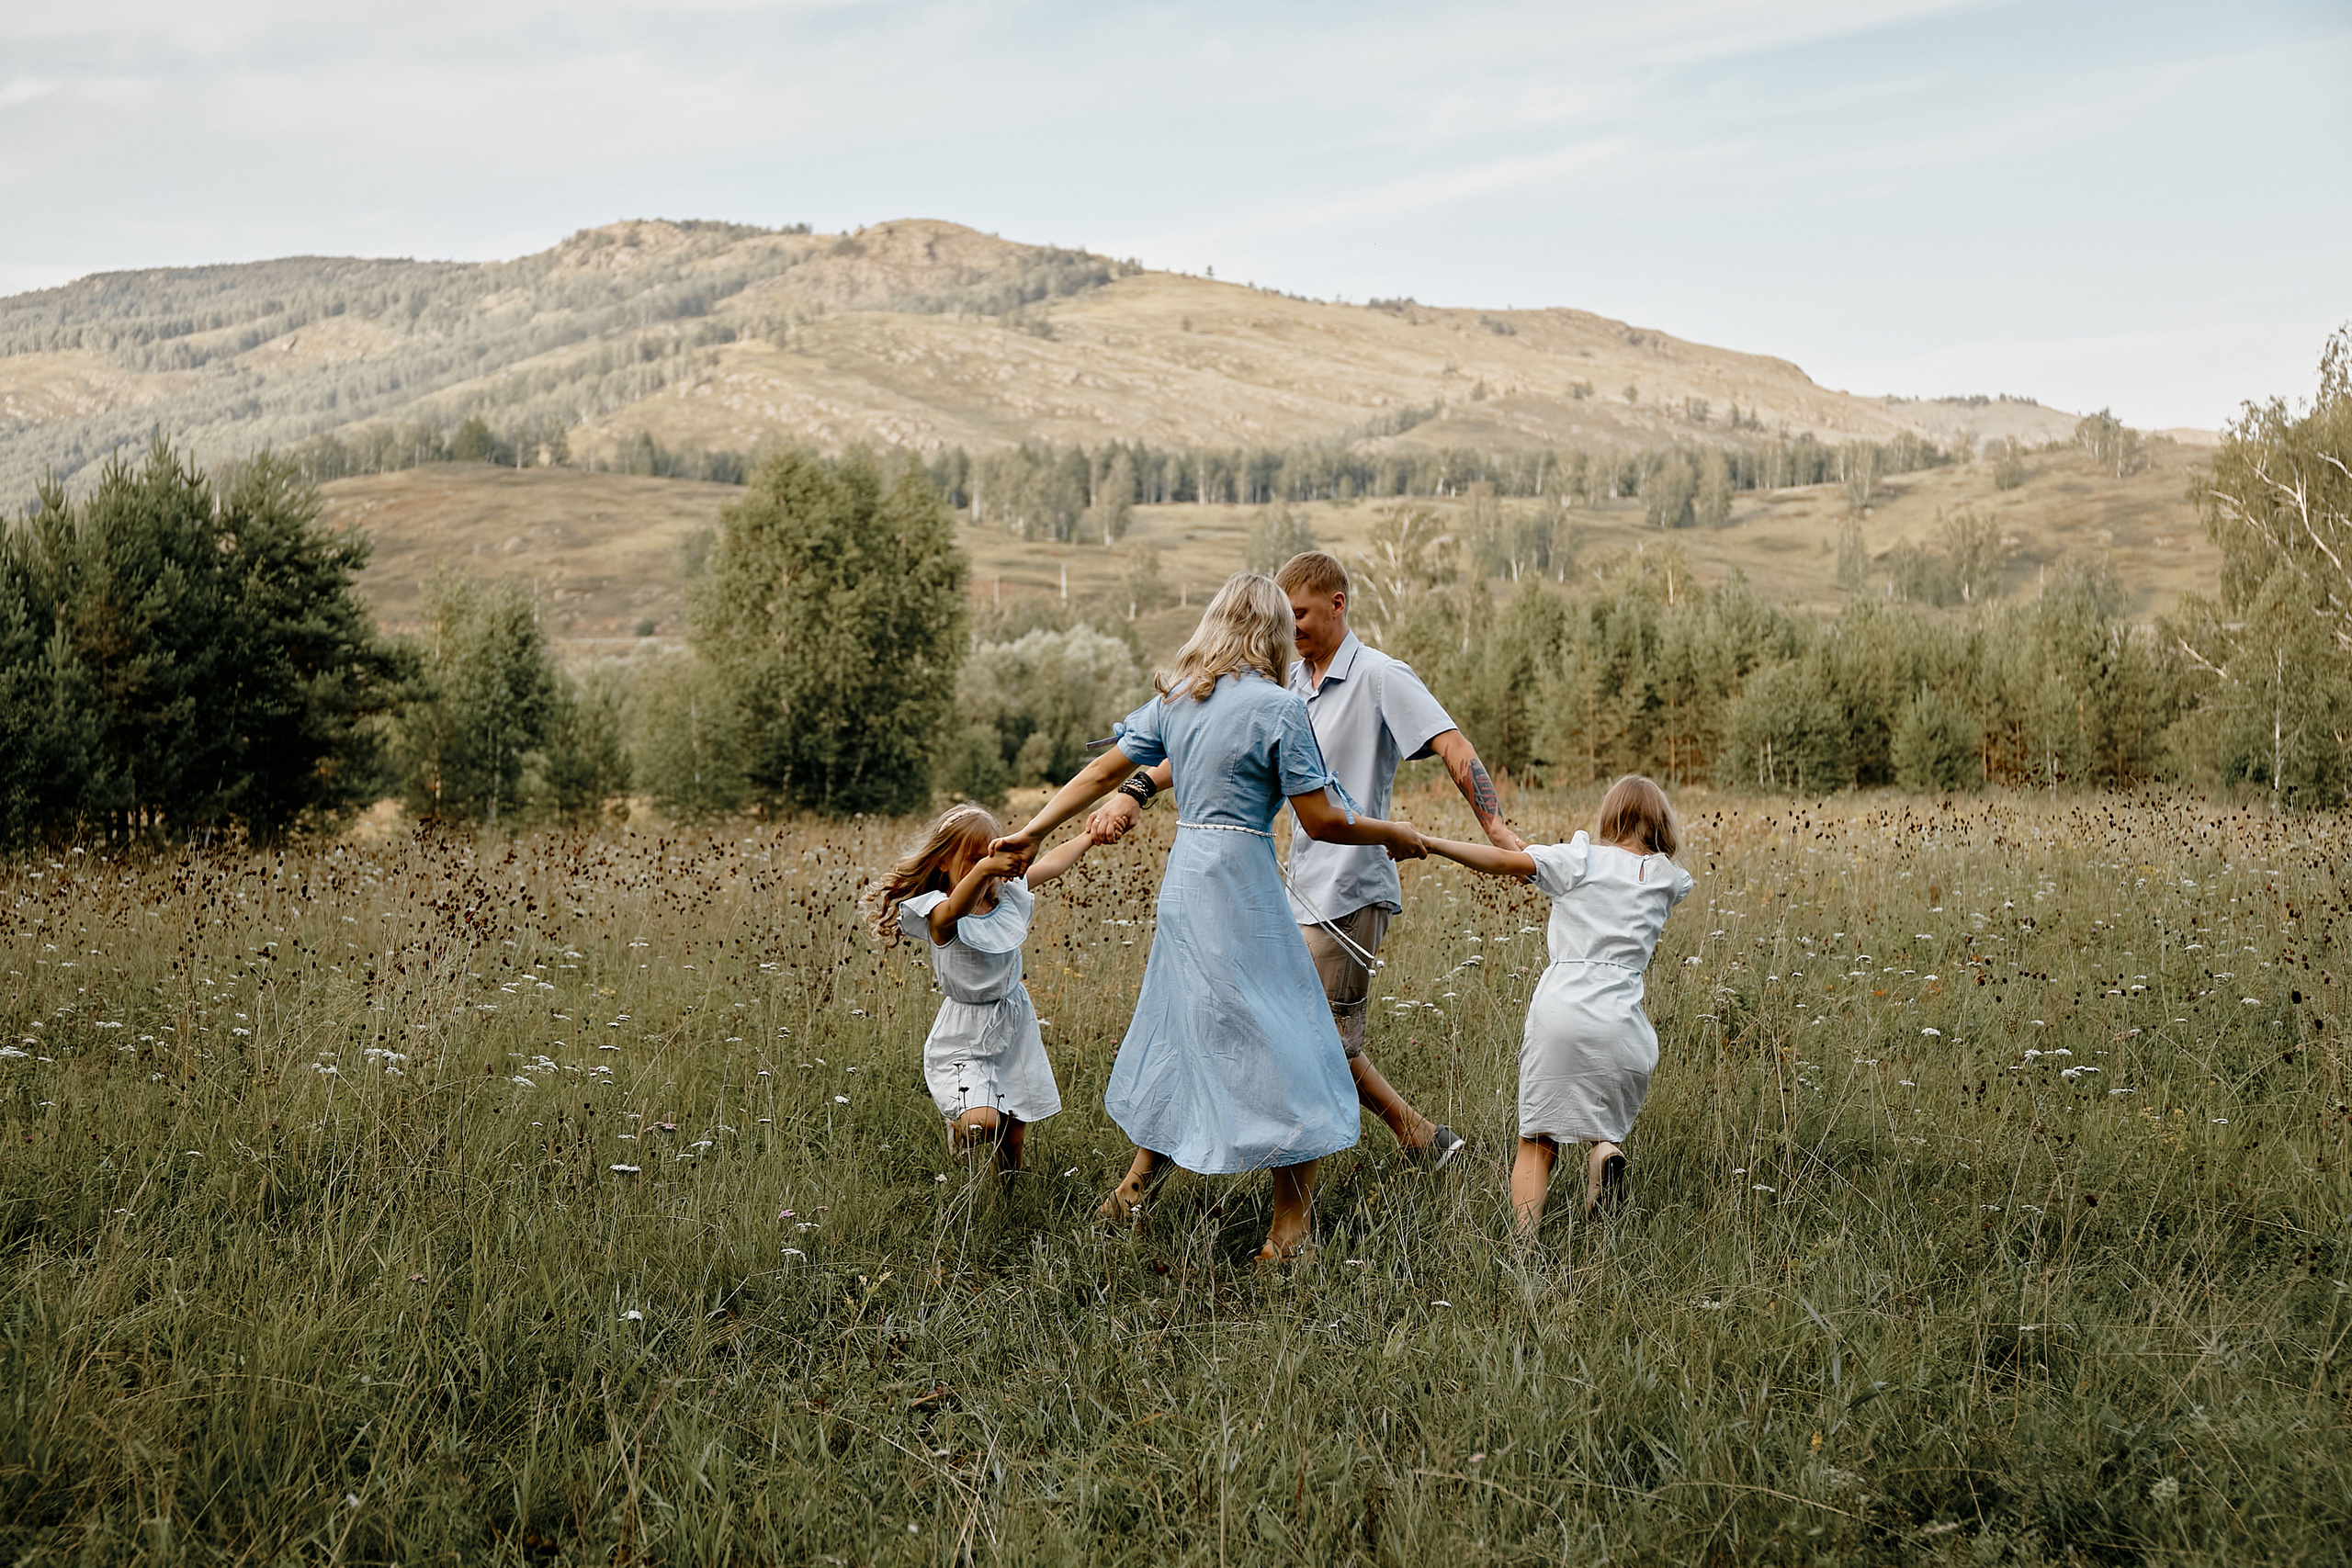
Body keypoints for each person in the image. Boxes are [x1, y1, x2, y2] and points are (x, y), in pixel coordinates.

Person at [992, 573, 1427, 1260]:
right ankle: (1288, 1228)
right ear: (1275, 632)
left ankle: (1133, 1192)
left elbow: (1104, 773)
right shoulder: (1280, 707)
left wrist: (1033, 829)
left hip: (1186, 882)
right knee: (1302, 1045)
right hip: (1241, 886)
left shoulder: (1178, 699)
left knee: (1183, 1030)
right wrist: (1390, 832)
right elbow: (1320, 819)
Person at [1090, 549, 1521, 1168]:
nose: (1290, 630)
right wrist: (1137, 789)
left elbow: (1455, 747)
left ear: (1338, 603)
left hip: (1350, 887)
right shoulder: (1284, 686)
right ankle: (1422, 1138)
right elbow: (1205, 742)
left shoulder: (1380, 676)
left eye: (1301, 615)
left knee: (1309, 1047)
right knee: (1279, 1034)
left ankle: (1355, 1176)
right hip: (1280, 893)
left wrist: (1499, 830)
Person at [1414, 774, 1693, 1235]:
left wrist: (1430, 843)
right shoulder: (1668, 879)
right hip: (1624, 1026)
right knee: (1599, 1121)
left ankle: (1524, 1250)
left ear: (1609, 817)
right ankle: (1603, 1153)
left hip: (1563, 1010)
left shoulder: (1580, 859)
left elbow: (1504, 862)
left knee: (1537, 1138)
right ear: (1661, 825)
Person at [865, 802, 1100, 1172]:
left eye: (990, 856)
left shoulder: (1005, 894)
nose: (985, 868)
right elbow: (957, 907)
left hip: (1013, 1019)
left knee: (1014, 1128)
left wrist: (1088, 837)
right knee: (983, 1122)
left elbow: (1052, 864)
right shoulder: (940, 912)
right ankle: (958, 1131)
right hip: (965, 1031)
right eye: (973, 861)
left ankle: (1007, 1190)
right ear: (943, 861)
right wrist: (987, 867)